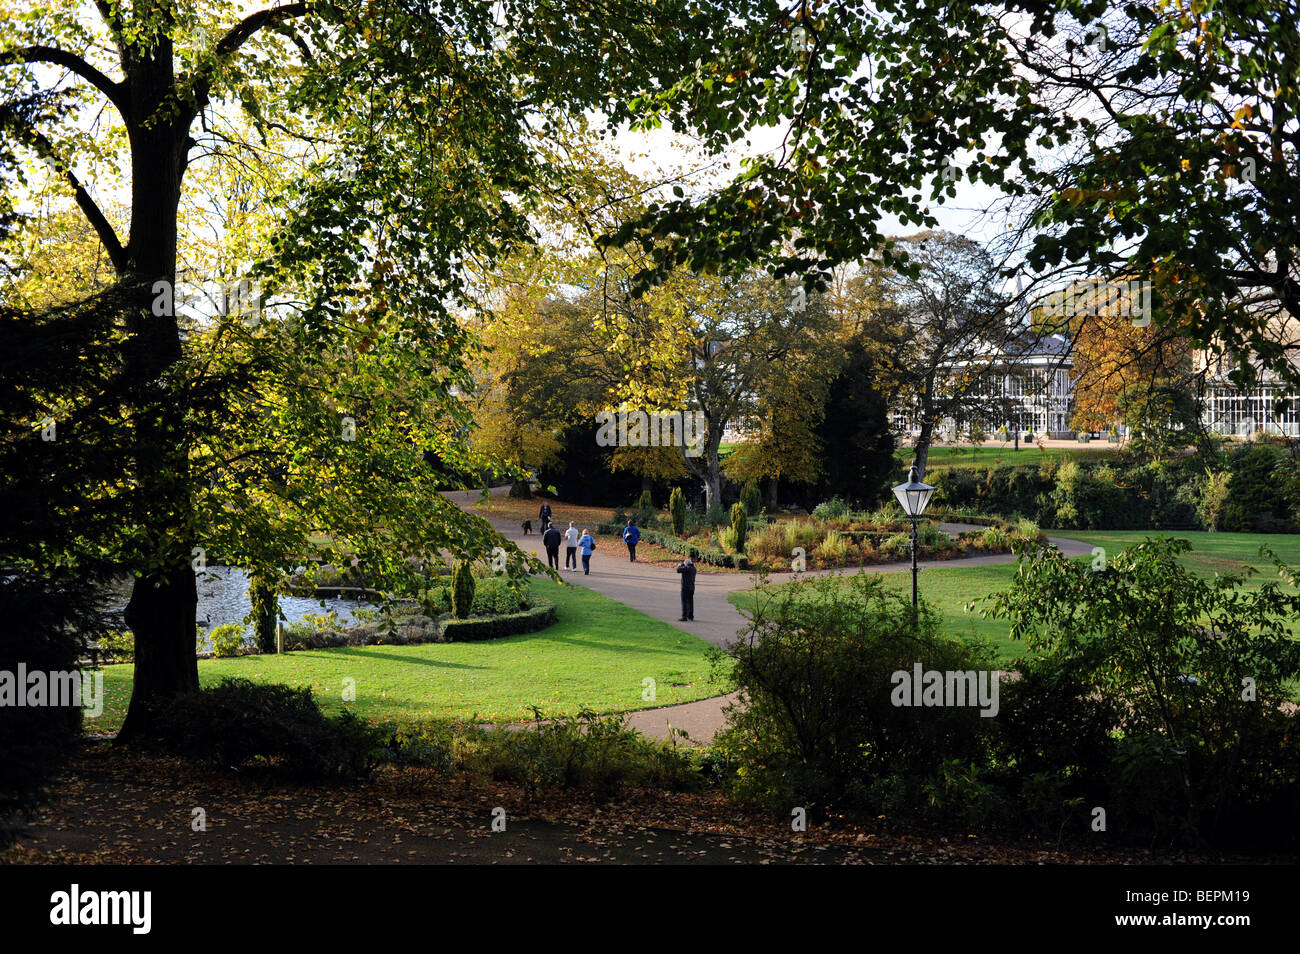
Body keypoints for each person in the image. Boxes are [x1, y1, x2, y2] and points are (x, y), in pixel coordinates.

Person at [675, 555, 696, 621]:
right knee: (690, 602)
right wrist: (683, 565)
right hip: (692, 588)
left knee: (684, 602)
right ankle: (690, 616)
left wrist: (680, 565)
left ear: (686, 564)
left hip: (685, 588)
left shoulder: (687, 568)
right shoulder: (694, 569)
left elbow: (678, 570)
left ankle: (684, 616)